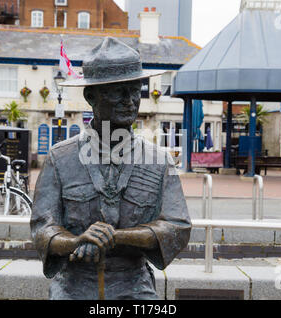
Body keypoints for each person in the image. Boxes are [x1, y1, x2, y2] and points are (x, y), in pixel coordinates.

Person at [30, 37, 191, 300]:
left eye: (135, 90)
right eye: (117, 91)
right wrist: (75, 241)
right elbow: (42, 228)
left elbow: (177, 226)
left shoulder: (160, 160)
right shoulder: (60, 158)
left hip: (134, 286)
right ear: (90, 96)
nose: (129, 100)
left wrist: (118, 237)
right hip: (74, 286)